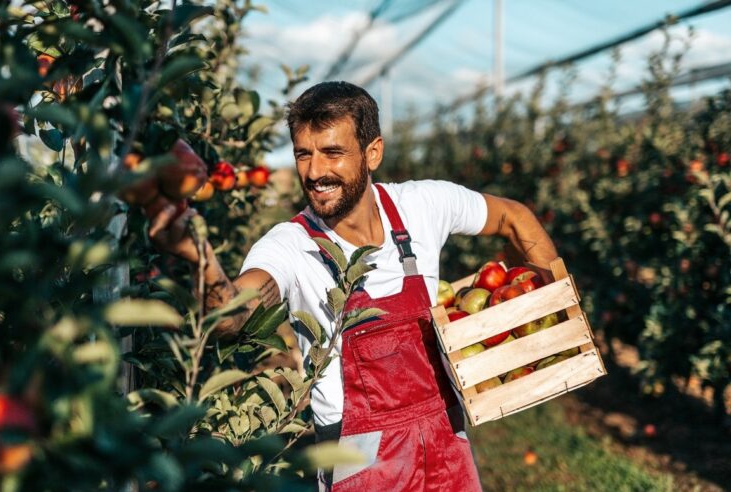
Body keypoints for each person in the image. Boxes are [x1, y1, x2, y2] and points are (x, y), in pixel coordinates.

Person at [149, 81, 558, 491]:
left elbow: (513, 217)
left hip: (447, 444)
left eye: (332, 153)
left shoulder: (422, 206)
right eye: (303, 155)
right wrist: (197, 252)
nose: (314, 172)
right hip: (361, 465)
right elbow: (231, 316)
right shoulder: (290, 246)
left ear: (372, 153)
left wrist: (549, 306)